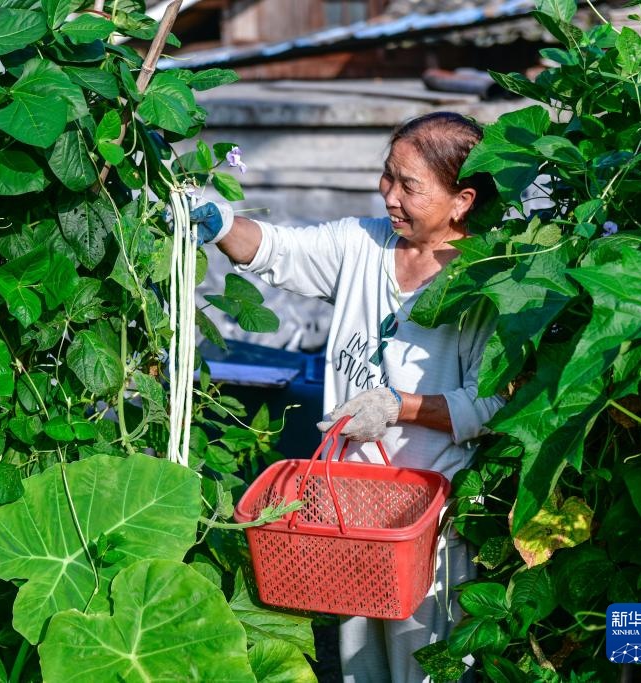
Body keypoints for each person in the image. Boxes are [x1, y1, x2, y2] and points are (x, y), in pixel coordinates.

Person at [192, 112, 506, 683]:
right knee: (361, 668)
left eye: (409, 186)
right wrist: (217, 221)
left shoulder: (486, 282)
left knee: (423, 669)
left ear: (462, 201)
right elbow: (277, 249)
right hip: (351, 513)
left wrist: (397, 407)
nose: (389, 195)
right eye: (388, 176)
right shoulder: (363, 243)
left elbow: (492, 406)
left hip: (430, 524)